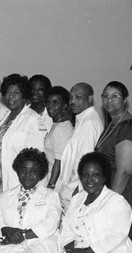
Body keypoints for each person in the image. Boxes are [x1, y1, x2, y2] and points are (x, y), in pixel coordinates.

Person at [94, 81, 132, 253]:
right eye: (105, 96)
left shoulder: (127, 127)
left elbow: (124, 169)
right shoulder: (113, 123)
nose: (109, 100)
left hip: (119, 189)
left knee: (118, 236)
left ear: (125, 100)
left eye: (115, 96)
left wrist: (110, 199)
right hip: (107, 186)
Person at [57, 82, 103, 211]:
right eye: (71, 97)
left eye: (78, 97)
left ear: (89, 99)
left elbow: (84, 160)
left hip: (77, 189)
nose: (73, 101)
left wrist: (76, 189)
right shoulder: (83, 119)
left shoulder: (89, 123)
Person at [0, 74, 48, 193]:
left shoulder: (33, 119)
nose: (11, 97)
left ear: (24, 96)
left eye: (16, 93)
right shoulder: (6, 116)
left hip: (25, 183)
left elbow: (38, 157)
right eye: (8, 93)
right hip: (3, 179)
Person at [43, 86, 74, 189]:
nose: (50, 106)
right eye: (48, 102)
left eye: (55, 102)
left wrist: (51, 185)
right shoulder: (57, 125)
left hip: (57, 185)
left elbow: (59, 161)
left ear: (65, 106)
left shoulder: (61, 129)